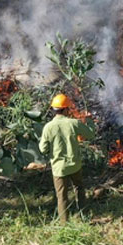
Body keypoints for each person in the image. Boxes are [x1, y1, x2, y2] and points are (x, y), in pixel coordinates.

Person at [38, 94, 96, 223]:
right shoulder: (73, 123)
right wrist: (89, 120)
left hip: (59, 169)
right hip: (75, 165)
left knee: (62, 197)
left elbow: (43, 149)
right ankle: (84, 216)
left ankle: (64, 223)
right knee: (79, 189)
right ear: (65, 109)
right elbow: (91, 134)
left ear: (54, 110)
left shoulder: (48, 127)